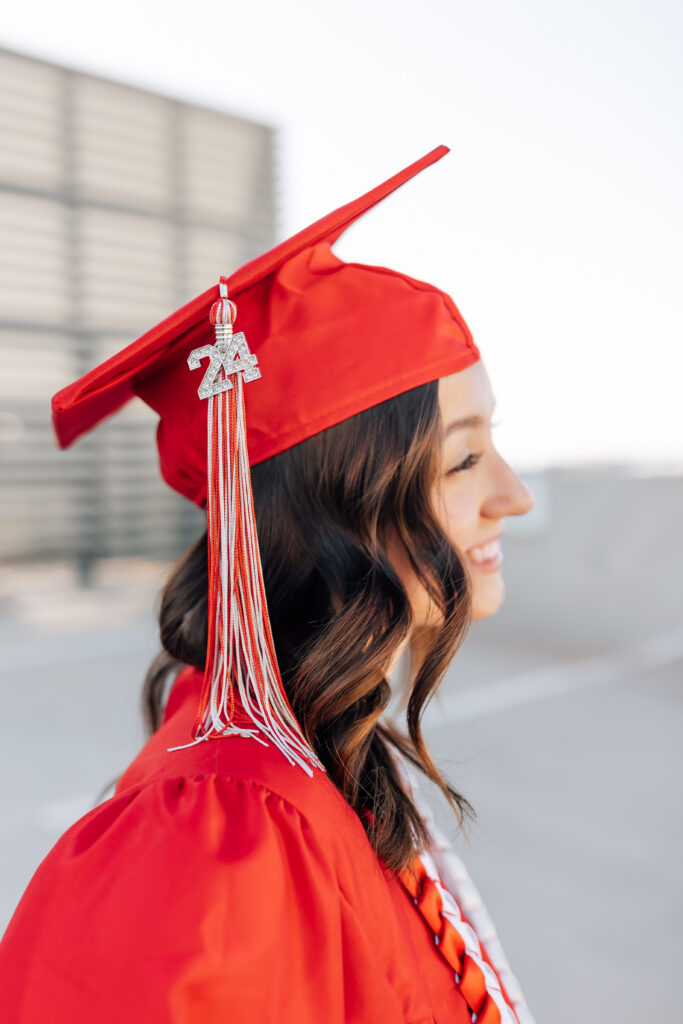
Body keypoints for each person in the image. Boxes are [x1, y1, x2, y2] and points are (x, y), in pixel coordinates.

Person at [0, 145, 536, 1023]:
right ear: (328, 515)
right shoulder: (218, 841)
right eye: (464, 460)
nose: (510, 498)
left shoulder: (332, 751)